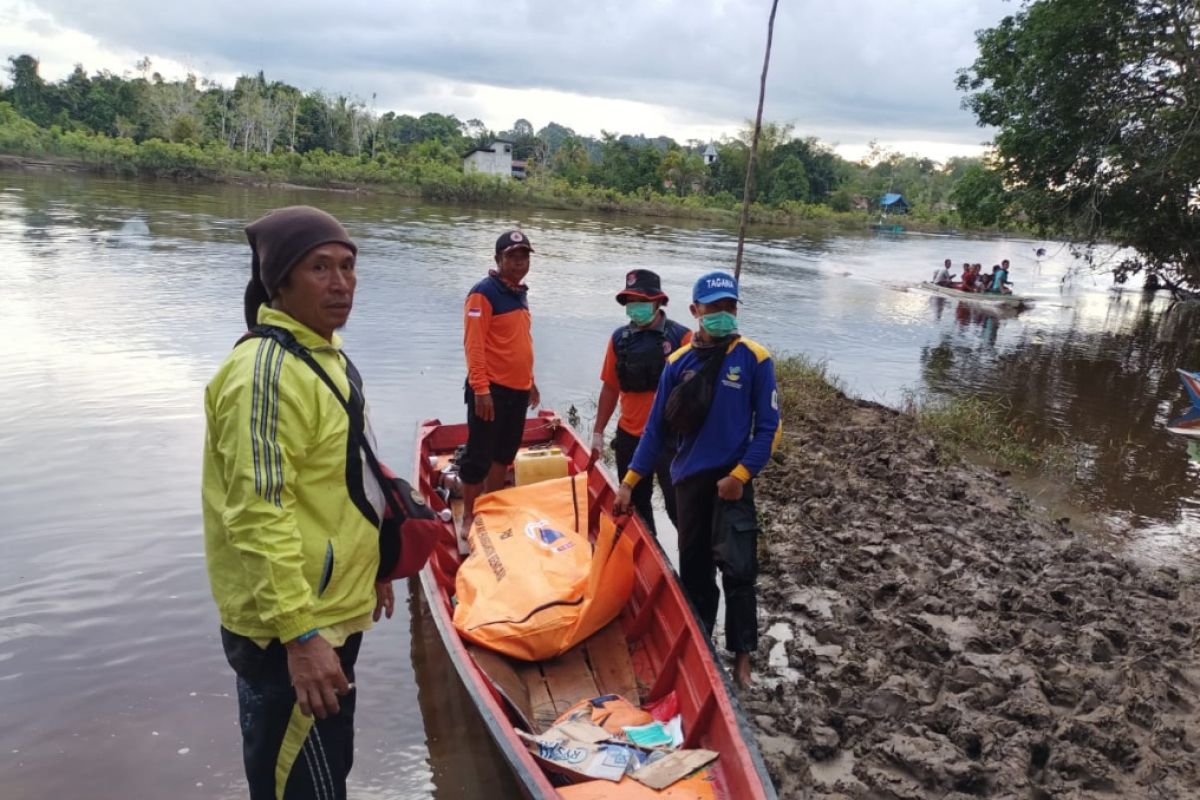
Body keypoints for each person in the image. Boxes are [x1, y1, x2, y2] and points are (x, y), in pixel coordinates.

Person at [202, 206, 395, 800]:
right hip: (292, 629)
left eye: (347, 266)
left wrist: (378, 566)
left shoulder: (324, 358)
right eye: (319, 268)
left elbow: (345, 482)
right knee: (295, 784)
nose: (341, 283)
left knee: (326, 774)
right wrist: (299, 634)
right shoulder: (265, 372)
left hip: (331, 611)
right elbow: (258, 513)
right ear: (278, 282)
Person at [614, 271, 781, 688]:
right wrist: (630, 482)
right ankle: (702, 646)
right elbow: (655, 433)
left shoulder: (755, 359)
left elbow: (768, 428)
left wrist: (741, 475)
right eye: (714, 308)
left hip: (733, 483)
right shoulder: (678, 363)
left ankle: (742, 657)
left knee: (740, 570)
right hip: (689, 483)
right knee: (697, 572)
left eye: (730, 307)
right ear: (695, 312)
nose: (723, 315)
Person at [588, 269, 692, 536]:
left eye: (641, 300)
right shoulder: (619, 340)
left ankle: (691, 567)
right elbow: (610, 388)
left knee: (679, 508)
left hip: (671, 441)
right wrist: (598, 432)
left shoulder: (683, 339)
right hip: (630, 438)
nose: (635, 306)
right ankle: (651, 557)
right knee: (636, 507)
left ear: (658, 302)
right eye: (630, 301)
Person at [460, 230, 539, 545]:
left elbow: (519, 343)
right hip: (490, 390)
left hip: (518, 389)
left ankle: (492, 506)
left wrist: (532, 383)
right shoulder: (483, 293)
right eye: (512, 256)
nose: (520, 262)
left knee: (504, 454)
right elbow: (474, 345)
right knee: (479, 454)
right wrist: (480, 389)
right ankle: (468, 514)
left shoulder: (519, 292)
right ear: (498, 259)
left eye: (524, 256)